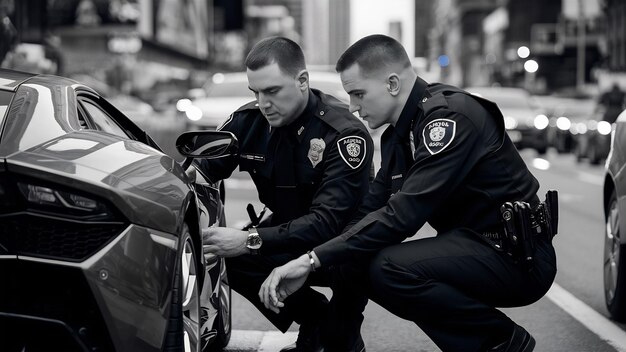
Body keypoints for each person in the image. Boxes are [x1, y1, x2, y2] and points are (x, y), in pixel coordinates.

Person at [259, 34, 557, 352]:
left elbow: (402, 215)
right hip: (476, 246)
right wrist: (317, 255)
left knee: (388, 267)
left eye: (358, 93)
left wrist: (311, 260)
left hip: (516, 257)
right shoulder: (399, 137)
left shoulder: (448, 120)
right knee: (353, 254)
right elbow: (370, 210)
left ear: (392, 84)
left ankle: (498, 341)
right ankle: (338, 344)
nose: (353, 107)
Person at [199, 36, 373, 352]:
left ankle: (339, 329)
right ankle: (315, 317)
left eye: (273, 91)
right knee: (228, 254)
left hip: (342, 246)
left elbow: (327, 222)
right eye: (256, 92)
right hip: (285, 231)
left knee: (341, 343)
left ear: (302, 81)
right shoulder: (247, 122)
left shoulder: (345, 134)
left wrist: (250, 240)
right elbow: (201, 170)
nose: (264, 102)